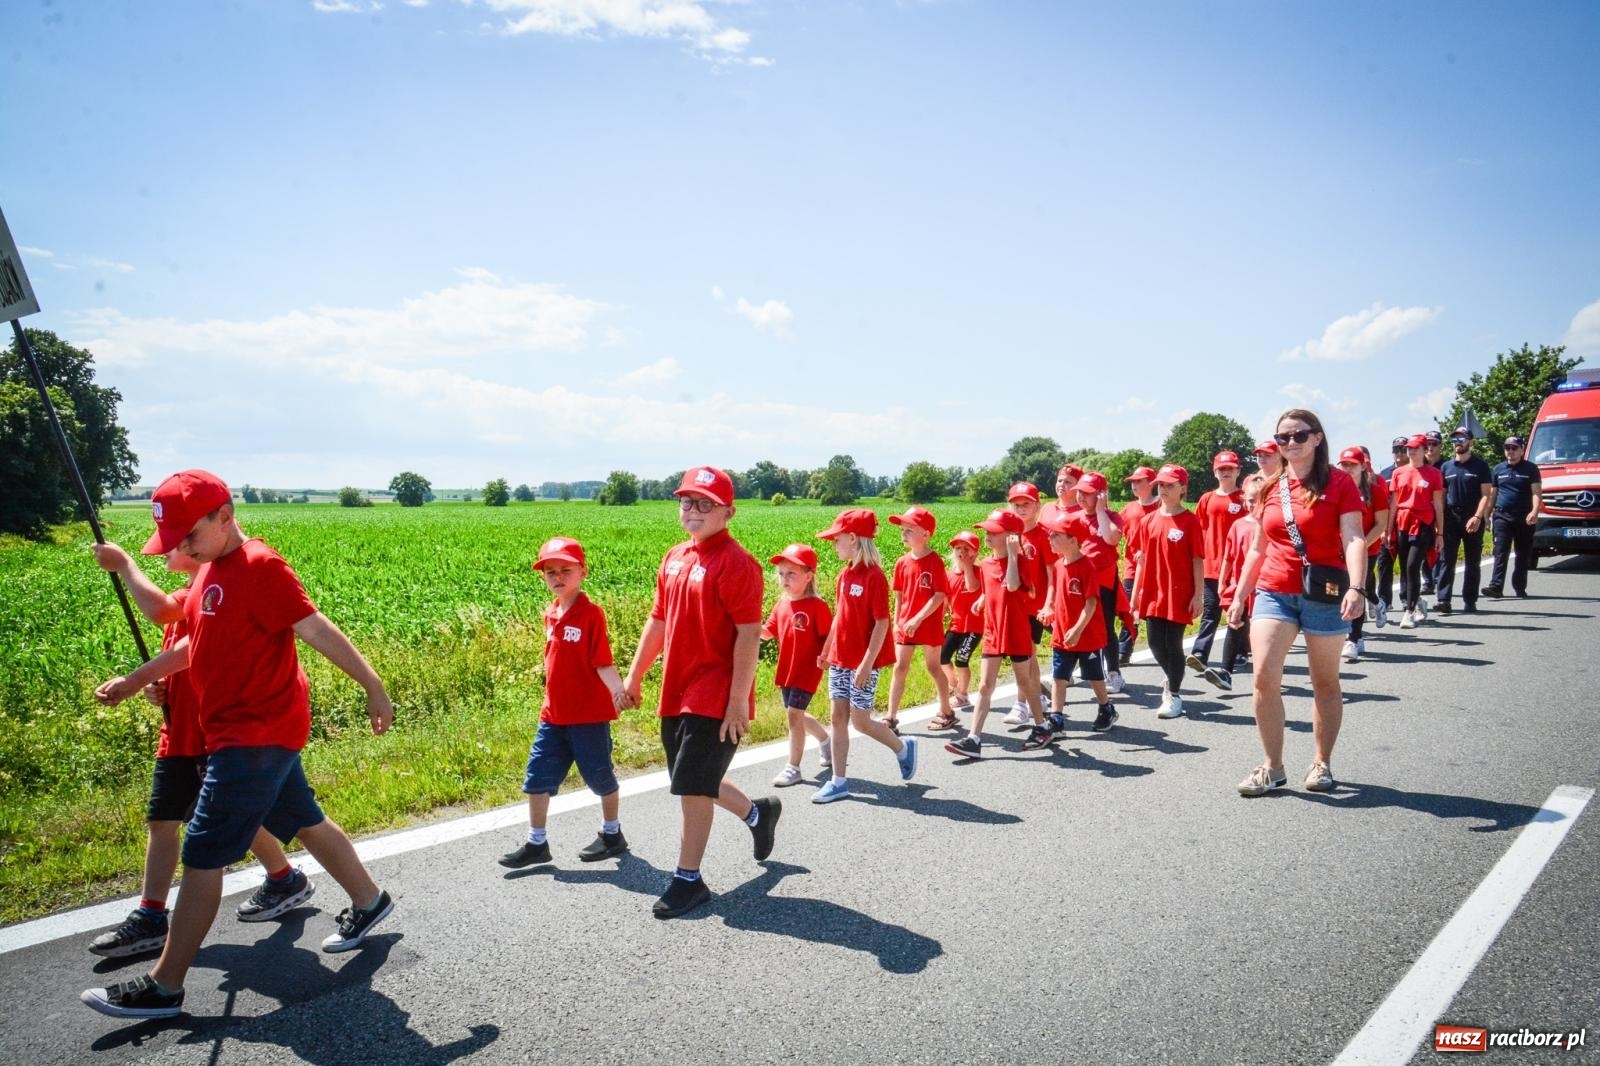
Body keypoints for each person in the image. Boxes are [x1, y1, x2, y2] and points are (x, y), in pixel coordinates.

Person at [81, 470, 397, 1020]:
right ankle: (371, 901)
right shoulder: (211, 570)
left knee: (202, 850)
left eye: (188, 537)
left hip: (255, 732)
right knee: (303, 818)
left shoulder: (259, 565)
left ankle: (165, 986)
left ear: (224, 517)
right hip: (238, 730)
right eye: (174, 542)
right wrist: (136, 681)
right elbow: (191, 647)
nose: (181, 549)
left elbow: (315, 629)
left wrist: (373, 686)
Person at [87, 542, 307, 959]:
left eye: (177, 545)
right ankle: (153, 915)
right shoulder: (191, 598)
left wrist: (124, 565)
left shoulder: (199, 595)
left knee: (234, 817)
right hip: (179, 732)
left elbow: (159, 611)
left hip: (211, 735)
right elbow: (178, 661)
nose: (166, 552)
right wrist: (158, 689)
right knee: (164, 820)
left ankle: (283, 877)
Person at [621, 466, 779, 920]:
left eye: (705, 503)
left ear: (729, 511)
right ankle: (757, 814)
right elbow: (658, 620)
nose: (693, 510)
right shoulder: (675, 556)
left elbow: (749, 635)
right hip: (677, 687)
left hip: (715, 693)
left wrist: (736, 702)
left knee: (691, 785)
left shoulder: (737, 563)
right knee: (694, 778)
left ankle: (688, 880)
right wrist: (635, 677)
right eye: (687, 501)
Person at [1229, 410, 1366, 797]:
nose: (1290, 443)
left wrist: (1357, 587)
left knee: (1324, 682)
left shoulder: (1339, 483)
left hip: (1323, 592)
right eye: (1282, 438)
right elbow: (1257, 547)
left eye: (1299, 435)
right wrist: (1241, 595)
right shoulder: (1271, 486)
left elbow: (1354, 537)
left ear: (1318, 439)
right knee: (1263, 677)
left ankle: (1321, 762)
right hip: (1274, 591)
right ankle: (1272, 767)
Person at [498, 537, 630, 868]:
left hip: (588, 717)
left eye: (565, 570)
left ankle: (612, 834)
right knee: (536, 778)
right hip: (553, 716)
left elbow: (602, 661)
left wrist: (618, 690)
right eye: (550, 571)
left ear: (582, 572)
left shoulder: (591, 615)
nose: (557, 576)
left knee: (601, 778)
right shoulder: (551, 613)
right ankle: (536, 843)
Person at [812, 509, 918, 803]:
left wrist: (866, 663)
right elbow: (839, 616)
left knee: (860, 721)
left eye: (837, 539)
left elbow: (882, 623)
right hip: (839, 658)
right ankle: (839, 781)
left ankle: (902, 747)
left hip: (863, 662)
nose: (833, 544)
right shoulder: (844, 575)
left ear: (854, 539)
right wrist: (826, 648)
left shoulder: (874, 577)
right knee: (837, 717)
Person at [944, 509, 1034, 759]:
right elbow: (990, 586)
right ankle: (974, 739)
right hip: (993, 630)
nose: (987, 535)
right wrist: (982, 599)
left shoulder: (1022, 562)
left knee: (1025, 683)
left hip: (1016, 630)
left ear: (1012, 537)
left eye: (994, 532)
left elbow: (1013, 584)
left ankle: (1042, 726)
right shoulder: (985, 563)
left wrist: (1015, 556)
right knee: (985, 686)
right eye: (987, 531)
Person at [1128, 465, 1205, 719]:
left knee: (1172, 644)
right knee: (1154, 643)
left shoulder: (1190, 521)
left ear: (1183, 488)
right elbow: (1141, 561)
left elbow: (1197, 560)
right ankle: (1172, 674)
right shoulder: (1148, 520)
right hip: (1153, 590)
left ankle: (1174, 694)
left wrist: (1198, 595)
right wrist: (1135, 593)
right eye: (1161, 485)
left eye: (1170, 485)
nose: (1164, 489)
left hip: (1179, 592)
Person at [761, 543, 834, 786]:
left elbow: (830, 637)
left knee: (793, 716)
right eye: (781, 574)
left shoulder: (817, 607)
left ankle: (793, 768)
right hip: (787, 670)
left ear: (808, 576)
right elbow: (766, 633)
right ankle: (825, 740)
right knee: (797, 716)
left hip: (807, 670)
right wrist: (742, 626)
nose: (784, 579)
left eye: (791, 573)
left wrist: (828, 658)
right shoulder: (781, 604)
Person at [1040, 512, 1117, 737]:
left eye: (1056, 535)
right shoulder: (1057, 565)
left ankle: (1106, 708)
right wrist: (1049, 609)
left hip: (1087, 635)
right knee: (1059, 676)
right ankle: (1056, 717)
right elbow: (1057, 594)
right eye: (1050, 535)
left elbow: (1091, 604)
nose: (1050, 539)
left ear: (1073, 540)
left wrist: (1078, 629)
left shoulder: (1086, 567)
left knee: (1093, 676)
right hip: (1063, 634)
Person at [885, 506, 953, 733]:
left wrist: (918, 618)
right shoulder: (901, 562)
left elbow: (939, 596)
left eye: (909, 529)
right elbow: (899, 596)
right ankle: (891, 717)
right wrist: (897, 622)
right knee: (899, 667)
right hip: (906, 624)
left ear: (926, 534)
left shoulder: (934, 561)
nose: (903, 533)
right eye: (902, 529)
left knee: (933, 667)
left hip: (928, 624)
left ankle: (946, 710)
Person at [1206, 472, 1267, 691]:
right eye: (1250, 500)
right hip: (1239, 586)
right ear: (1243, 500)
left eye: (1259, 500)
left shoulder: (1271, 526)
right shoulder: (1238, 525)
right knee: (1234, 623)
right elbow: (1228, 557)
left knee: (1258, 632)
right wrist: (1222, 581)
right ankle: (1225, 672)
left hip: (1263, 588)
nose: (1253, 505)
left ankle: (1266, 673)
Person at [1186, 451, 1245, 677]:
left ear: (1238, 471)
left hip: (1238, 566)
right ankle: (1200, 653)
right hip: (1211, 565)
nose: (1226, 472)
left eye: (1230, 468)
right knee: (1211, 610)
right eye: (1221, 469)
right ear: (1215, 472)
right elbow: (1199, 530)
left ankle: (1241, 649)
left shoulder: (1244, 498)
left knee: (1238, 611)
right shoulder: (1207, 499)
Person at [1002, 482, 1052, 728]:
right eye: (1016, 505)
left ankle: (1021, 704)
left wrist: (1050, 604)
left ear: (1037, 506)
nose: (1021, 509)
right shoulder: (1008, 534)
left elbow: (1053, 574)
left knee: (1026, 656)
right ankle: (1038, 697)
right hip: (1013, 606)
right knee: (1027, 658)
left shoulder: (1043, 535)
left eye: (1026, 504)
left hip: (1034, 608)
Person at [1336, 448, 1390, 662]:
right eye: (1344, 464)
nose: (1347, 468)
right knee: (1344, 590)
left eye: (1352, 464)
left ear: (1362, 466)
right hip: (1339, 549)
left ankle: (1354, 638)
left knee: (1357, 588)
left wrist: (1362, 545)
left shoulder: (1375, 492)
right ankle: (1375, 605)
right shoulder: (1336, 489)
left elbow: (1381, 524)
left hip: (1367, 548)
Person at [1434, 427, 1494, 614]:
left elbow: (1486, 495)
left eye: (1462, 438)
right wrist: (1439, 523)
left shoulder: (1480, 466)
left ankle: (1470, 600)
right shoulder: (1446, 467)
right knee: (1446, 560)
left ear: (1471, 442)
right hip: (1451, 518)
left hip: (1472, 517)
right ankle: (1444, 600)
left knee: (1472, 561)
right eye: (1454, 439)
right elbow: (1441, 497)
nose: (1458, 442)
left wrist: (1478, 516)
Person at [1389, 434, 1445, 629]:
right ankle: (1418, 600)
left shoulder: (1433, 474)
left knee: (1413, 566)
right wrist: (1388, 531)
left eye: (1415, 448)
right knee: (1405, 568)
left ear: (1424, 450)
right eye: (1409, 448)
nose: (1411, 451)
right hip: (1402, 521)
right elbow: (1394, 504)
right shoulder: (1399, 473)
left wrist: (1440, 533)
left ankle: (1409, 611)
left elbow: (1438, 505)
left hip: (1423, 523)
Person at [935, 530, 984, 728]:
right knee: (941, 657)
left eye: (966, 549)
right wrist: (938, 623)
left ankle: (962, 695)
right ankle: (953, 682)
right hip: (955, 625)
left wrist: (967, 567)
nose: (961, 552)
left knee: (962, 659)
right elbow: (945, 602)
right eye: (958, 549)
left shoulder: (978, 572)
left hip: (974, 627)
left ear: (974, 553)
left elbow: (972, 587)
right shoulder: (948, 575)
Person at [1115, 465, 1161, 674]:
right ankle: (1124, 651)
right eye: (1132, 482)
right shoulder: (1129, 509)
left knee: (1153, 610)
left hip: (1158, 568)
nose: (1134, 485)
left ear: (1151, 483)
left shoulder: (1161, 506)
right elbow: (1115, 532)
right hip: (1133, 568)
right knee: (1128, 609)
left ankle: (1161, 646)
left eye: (1139, 481)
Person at [1485, 435, 1543, 599]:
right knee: (1500, 551)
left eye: (1514, 448)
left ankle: (1519, 586)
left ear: (1522, 450)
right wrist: (1486, 516)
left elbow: (1537, 493)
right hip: (1502, 516)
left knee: (1522, 554)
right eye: (1507, 448)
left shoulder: (1530, 469)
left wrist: (1534, 511)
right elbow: (1492, 495)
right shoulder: (1498, 469)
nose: (1510, 451)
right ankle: (1496, 587)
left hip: (1524, 517)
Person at [1374, 436, 1409, 614]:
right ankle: (1384, 600)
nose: (1399, 454)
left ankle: (1406, 597)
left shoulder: (1414, 472)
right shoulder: (1385, 474)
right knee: (1384, 563)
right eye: (1396, 450)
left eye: (1403, 450)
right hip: (1387, 523)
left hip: (1406, 523)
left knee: (1406, 562)